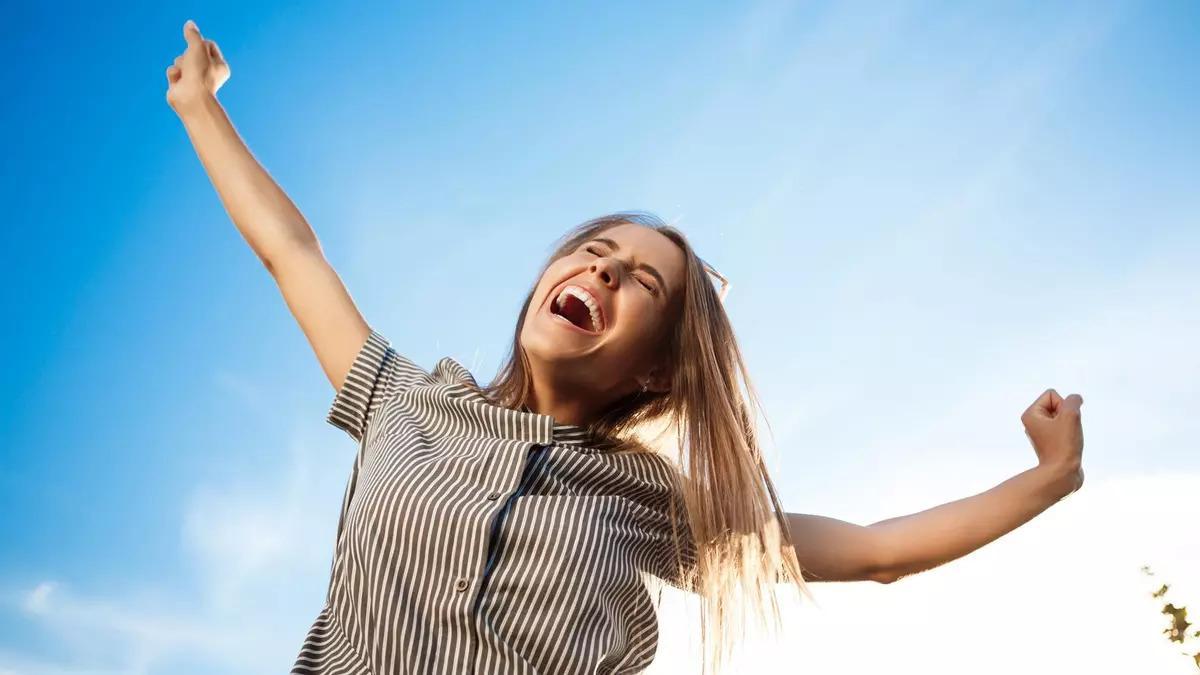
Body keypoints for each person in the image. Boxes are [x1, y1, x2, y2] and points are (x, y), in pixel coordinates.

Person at [165, 19, 1088, 675]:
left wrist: (1044, 479)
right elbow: (293, 254)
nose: (603, 273)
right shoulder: (404, 402)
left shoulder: (655, 503)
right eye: (595, 253)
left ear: (657, 366)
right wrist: (202, 108)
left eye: (640, 282)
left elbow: (878, 549)